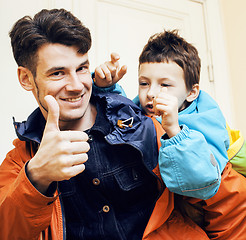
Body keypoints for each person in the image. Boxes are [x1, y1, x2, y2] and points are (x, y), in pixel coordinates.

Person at [0, 9, 217, 240]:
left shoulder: (146, 125)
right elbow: (7, 231)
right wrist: (37, 176)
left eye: (82, 68)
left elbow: (221, 197)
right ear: (26, 78)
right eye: (57, 73)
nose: (77, 85)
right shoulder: (22, 160)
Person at [94, 30, 246, 239]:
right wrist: (106, 86)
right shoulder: (143, 108)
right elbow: (124, 113)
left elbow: (205, 181)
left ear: (192, 92)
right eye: (144, 83)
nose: (152, 93)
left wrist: (174, 130)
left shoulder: (206, 118)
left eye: (165, 85)